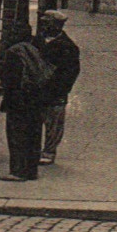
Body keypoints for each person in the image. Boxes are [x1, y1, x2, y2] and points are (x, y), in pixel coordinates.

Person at [0, 33, 52, 181]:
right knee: (34, 134)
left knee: (17, 135)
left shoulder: (13, 52)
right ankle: (31, 170)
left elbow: (6, 77)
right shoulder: (34, 50)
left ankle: (18, 171)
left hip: (18, 100)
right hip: (35, 99)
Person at [34, 10, 81, 165]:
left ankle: (49, 151)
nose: (44, 26)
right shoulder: (37, 41)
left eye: (47, 23)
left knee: (53, 124)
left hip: (55, 91)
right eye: (43, 23)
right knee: (35, 120)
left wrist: (60, 90)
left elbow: (71, 73)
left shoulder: (68, 47)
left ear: (57, 25)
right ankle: (34, 149)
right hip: (36, 89)